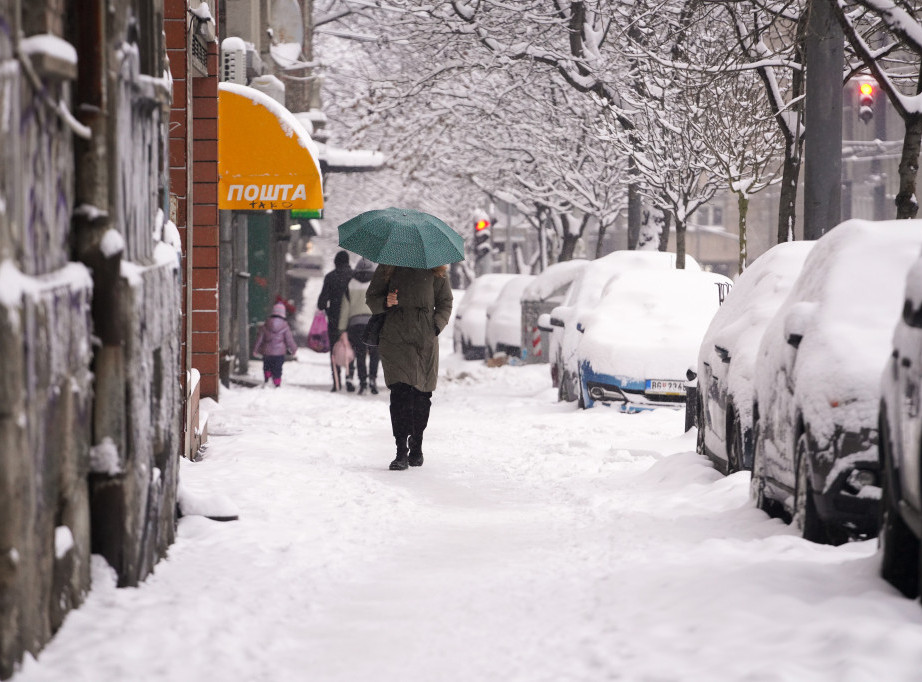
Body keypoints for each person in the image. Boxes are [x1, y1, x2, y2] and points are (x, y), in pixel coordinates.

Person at [365, 263, 453, 470]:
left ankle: (417, 443)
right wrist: (385, 301)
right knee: (400, 393)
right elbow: (372, 297)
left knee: (422, 395)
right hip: (395, 338)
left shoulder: (436, 269)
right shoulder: (388, 267)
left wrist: (435, 325)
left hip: (425, 339)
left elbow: (445, 302)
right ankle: (400, 451)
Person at [338, 258, 381, 394]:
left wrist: (342, 328)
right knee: (374, 353)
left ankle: (362, 381)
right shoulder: (377, 284)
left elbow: (345, 308)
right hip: (373, 322)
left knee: (360, 353)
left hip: (356, 325)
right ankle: (372, 379)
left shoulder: (350, 284)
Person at [317, 250, 354, 391]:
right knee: (351, 348)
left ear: (336, 262)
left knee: (334, 350)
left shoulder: (330, 277)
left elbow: (321, 303)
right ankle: (349, 378)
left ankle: (336, 380)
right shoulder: (354, 276)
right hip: (351, 319)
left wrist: (327, 309)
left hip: (334, 319)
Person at [253, 302, 297, 387]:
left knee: (267, 366)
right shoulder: (285, 325)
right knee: (277, 369)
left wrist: (255, 350)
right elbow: (289, 339)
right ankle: (276, 382)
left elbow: (260, 339)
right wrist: (294, 349)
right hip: (279, 353)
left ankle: (267, 378)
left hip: (267, 352)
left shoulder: (266, 324)